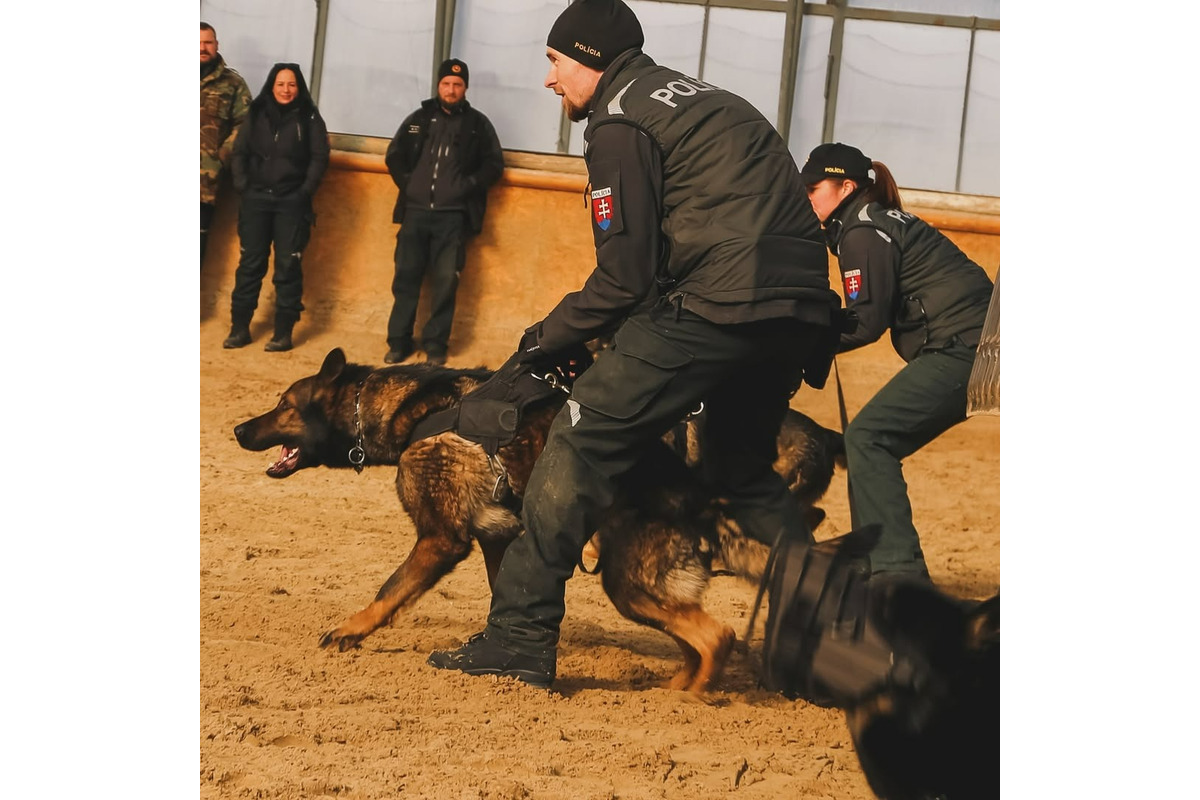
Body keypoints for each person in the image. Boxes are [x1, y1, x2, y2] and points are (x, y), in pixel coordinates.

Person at [427, 0, 844, 688]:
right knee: (740, 470)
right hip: (795, 312)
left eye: (555, 62)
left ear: (588, 57)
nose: (549, 80)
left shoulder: (619, 122)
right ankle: (824, 640)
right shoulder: (708, 98)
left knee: (577, 441)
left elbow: (624, 277)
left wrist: (543, 341)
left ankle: (519, 638)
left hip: (717, 304)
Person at [798, 142, 995, 579]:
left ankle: (896, 571)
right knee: (868, 439)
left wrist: (801, 343)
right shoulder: (872, 222)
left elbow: (866, 323)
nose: (806, 196)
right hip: (973, 343)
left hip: (966, 348)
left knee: (869, 438)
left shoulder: (864, 231)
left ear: (845, 187)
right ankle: (880, 559)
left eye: (814, 187)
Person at [383, 58, 505, 366]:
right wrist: (409, 185)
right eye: (446, 84)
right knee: (406, 277)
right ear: (438, 85)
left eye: (457, 85)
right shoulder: (419, 119)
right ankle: (398, 342)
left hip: (453, 217)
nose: (451, 90)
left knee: (446, 280)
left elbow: (494, 164)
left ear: (465, 88)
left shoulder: (478, 125)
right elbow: (394, 155)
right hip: (415, 213)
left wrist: (467, 186)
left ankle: (436, 345)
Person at [223, 62, 330, 352]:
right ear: (272, 85)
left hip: (291, 204)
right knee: (250, 265)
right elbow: (240, 151)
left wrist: (303, 192)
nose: (286, 89)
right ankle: (240, 329)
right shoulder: (256, 113)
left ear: (299, 87)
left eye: (292, 84)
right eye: (281, 84)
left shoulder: (309, 117)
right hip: (256, 201)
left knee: (288, 266)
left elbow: (319, 157)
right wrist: (244, 186)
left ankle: (283, 332)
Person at [200, 22, 250, 266]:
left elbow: (246, 124)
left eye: (208, 42)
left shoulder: (232, 84)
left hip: (203, 186)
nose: (202, 48)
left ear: (216, 45)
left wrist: (224, 154)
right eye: (197, 43)